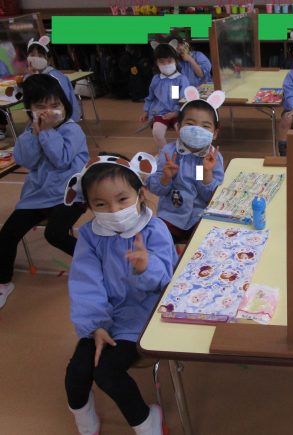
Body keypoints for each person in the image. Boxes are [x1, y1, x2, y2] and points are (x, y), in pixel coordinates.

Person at [63, 151, 178, 435]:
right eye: (101, 204)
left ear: (140, 194)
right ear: (89, 205)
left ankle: (146, 420)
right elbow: (86, 283)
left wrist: (145, 267)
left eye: (122, 199)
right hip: (103, 317)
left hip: (143, 315)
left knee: (107, 373)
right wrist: (96, 326)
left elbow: (167, 283)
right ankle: (84, 415)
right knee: (77, 371)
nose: (113, 210)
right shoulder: (90, 236)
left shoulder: (155, 229)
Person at [0, 74, 88, 309]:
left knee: (55, 233)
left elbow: (61, 160)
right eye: (41, 107)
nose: (49, 112)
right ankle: (3, 282)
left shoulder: (72, 131)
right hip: (38, 196)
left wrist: (47, 133)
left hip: (71, 193)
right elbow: (25, 160)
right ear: (30, 110)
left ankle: (93, 259)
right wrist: (35, 134)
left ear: (64, 104)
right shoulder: (31, 132)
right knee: (7, 235)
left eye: (55, 104)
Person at [147, 86, 225, 243]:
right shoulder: (168, 153)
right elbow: (155, 189)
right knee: (157, 239)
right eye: (190, 124)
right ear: (178, 127)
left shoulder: (213, 158)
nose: (196, 130)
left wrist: (206, 173)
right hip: (171, 216)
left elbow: (213, 198)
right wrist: (166, 178)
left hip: (200, 216)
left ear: (215, 133)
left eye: (205, 126)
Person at [140, 40, 189, 151]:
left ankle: (184, 152)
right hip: (160, 113)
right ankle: (165, 153)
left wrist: (176, 113)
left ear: (175, 60)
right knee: (157, 132)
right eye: (162, 62)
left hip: (178, 113)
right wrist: (146, 111)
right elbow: (150, 97)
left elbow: (184, 100)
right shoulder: (156, 79)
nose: (166, 64)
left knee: (183, 132)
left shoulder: (181, 79)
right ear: (156, 63)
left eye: (169, 61)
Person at [26, 36, 82, 122]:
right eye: (32, 55)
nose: (35, 59)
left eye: (40, 56)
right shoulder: (30, 76)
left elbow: (63, 102)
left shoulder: (55, 77)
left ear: (48, 60)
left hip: (65, 119)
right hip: (45, 117)